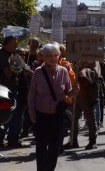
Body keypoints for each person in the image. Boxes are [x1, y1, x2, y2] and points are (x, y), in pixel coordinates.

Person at [28, 43, 75, 171]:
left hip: (57, 114)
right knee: (41, 146)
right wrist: (31, 112)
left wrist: (75, 90)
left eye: (55, 55)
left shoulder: (63, 71)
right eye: (49, 56)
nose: (53, 58)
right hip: (41, 114)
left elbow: (68, 90)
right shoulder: (38, 72)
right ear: (43, 57)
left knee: (54, 147)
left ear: (59, 56)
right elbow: (32, 94)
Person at [0, 36, 22, 147]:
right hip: (1, 88)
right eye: (13, 44)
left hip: (14, 87)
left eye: (16, 44)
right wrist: (2, 70)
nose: (15, 46)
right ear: (6, 44)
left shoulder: (15, 55)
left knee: (15, 114)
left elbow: (20, 68)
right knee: (3, 114)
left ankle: (13, 139)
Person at [68, 61, 101, 150]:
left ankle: (92, 141)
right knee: (74, 119)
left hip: (86, 95)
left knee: (90, 118)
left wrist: (85, 67)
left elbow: (96, 74)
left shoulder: (94, 59)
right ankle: (73, 140)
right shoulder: (76, 57)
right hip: (76, 94)